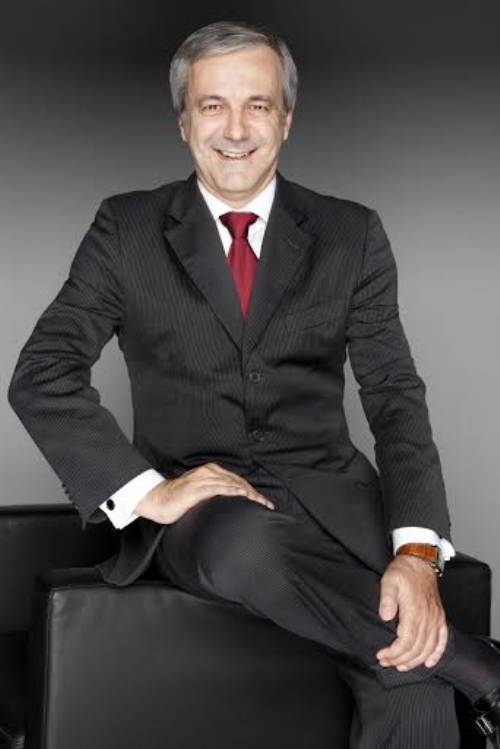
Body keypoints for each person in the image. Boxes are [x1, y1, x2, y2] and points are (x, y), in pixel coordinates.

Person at [7, 19, 500, 749]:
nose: (235, 130)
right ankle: (480, 666)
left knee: (412, 682)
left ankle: (449, 666)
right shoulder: (126, 229)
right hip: (202, 518)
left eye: (257, 105)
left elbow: (395, 398)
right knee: (244, 542)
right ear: (183, 122)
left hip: (337, 508)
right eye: (213, 106)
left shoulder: (352, 234)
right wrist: (149, 492)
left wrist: (417, 555)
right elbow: (42, 372)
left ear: (286, 119)